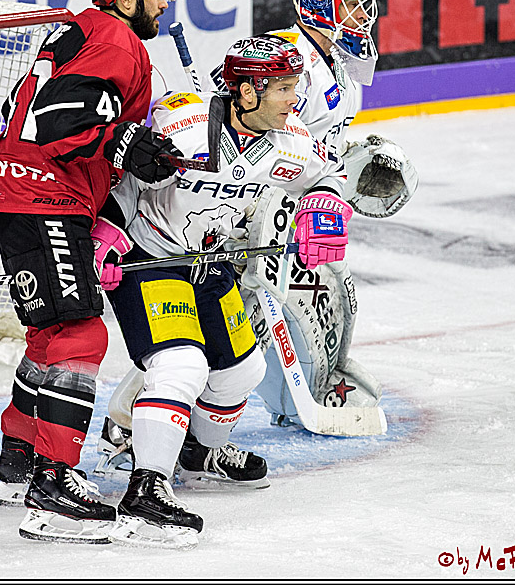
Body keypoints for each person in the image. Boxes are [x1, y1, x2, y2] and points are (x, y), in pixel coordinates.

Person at [94, 34, 351, 547]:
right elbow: (121, 180)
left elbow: (325, 177)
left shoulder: (292, 140)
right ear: (247, 93)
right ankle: (146, 491)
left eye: (294, 84)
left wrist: (324, 207)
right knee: (182, 365)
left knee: (243, 371)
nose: (294, 98)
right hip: (151, 259)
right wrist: (106, 232)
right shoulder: (179, 124)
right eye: (282, 87)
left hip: (213, 265)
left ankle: (199, 453)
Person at [0, 0, 182, 544]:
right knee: (81, 334)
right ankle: (55, 486)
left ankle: (20, 455)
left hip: (15, 196)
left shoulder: (78, 32)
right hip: (46, 198)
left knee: (48, 336)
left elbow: (22, 111)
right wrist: (125, 146)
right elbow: (57, 121)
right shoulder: (118, 43)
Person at [205, 0, 419, 428]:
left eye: (365, 5)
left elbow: (318, 142)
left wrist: (340, 167)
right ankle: (138, 409)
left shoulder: (341, 64)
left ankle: (317, 389)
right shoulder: (284, 56)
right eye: (352, 5)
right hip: (251, 207)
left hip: (297, 204)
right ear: (322, 6)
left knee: (332, 293)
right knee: (225, 313)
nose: (363, 16)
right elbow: (239, 128)